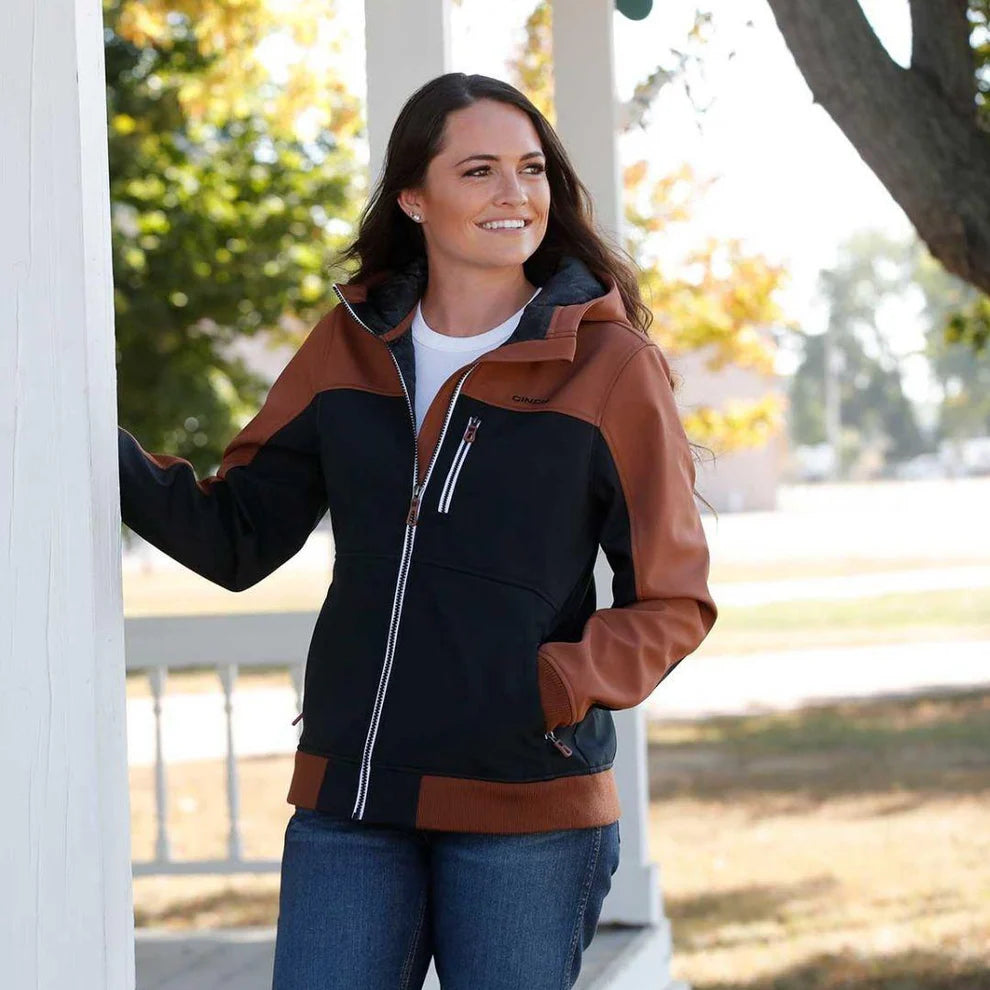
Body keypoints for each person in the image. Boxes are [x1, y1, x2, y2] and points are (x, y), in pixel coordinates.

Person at [118, 72, 717, 990]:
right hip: (350, 799)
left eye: (530, 169)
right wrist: (83, 441)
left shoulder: (607, 365)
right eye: (478, 170)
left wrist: (550, 686)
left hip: (526, 805)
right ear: (413, 195)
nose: (514, 195)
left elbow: (673, 599)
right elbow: (237, 537)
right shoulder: (348, 344)